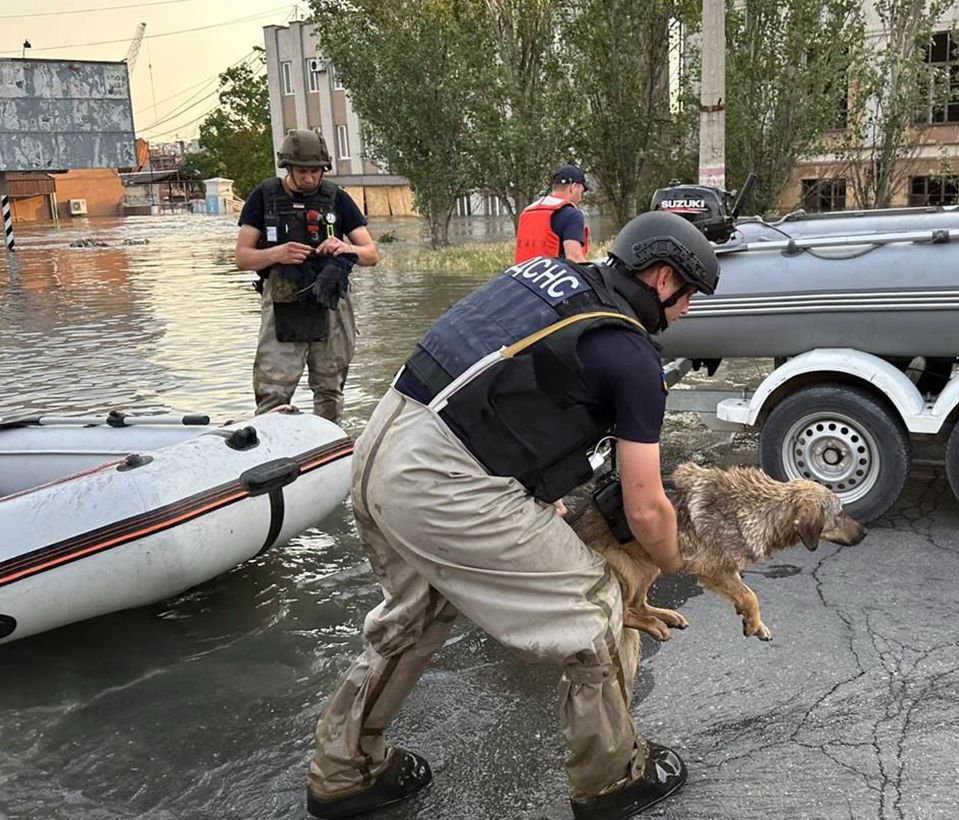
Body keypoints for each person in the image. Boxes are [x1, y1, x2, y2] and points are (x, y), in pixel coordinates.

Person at [306, 210, 721, 820]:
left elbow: (495, 379)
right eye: (690, 298)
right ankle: (612, 779)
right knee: (599, 606)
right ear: (663, 281)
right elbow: (646, 505)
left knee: (412, 617)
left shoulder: (545, 274)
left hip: (383, 443)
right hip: (442, 482)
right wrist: (683, 564)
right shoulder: (631, 356)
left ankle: (344, 772)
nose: (687, 313)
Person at [235, 129, 379, 425]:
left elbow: (371, 254)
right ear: (288, 167)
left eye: (315, 171)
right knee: (273, 388)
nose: (309, 178)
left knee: (329, 387)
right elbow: (242, 257)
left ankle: (328, 443)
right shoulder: (263, 197)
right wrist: (276, 254)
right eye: (302, 171)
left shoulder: (337, 198)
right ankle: (270, 444)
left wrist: (344, 247)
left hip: (330, 302)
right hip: (282, 300)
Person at [514, 163, 590, 263]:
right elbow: (574, 259)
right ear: (574, 187)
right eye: (582, 192)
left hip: (522, 277)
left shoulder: (527, 212)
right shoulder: (572, 215)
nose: (581, 197)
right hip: (553, 277)